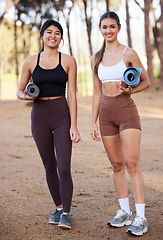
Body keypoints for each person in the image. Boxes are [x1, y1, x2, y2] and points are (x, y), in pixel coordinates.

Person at [91, 11, 150, 236]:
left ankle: (141, 217)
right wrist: (93, 121)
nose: (108, 31)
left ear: (119, 28)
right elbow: (97, 93)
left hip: (126, 110)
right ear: (100, 29)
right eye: (104, 27)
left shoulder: (129, 53)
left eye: (112, 26)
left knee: (132, 163)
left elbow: (146, 81)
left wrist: (131, 89)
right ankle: (124, 212)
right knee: (116, 165)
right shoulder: (96, 57)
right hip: (106, 114)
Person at [17, 19, 80, 229]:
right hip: (39, 116)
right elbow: (20, 89)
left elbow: (71, 93)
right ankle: (59, 206)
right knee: (49, 166)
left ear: (61, 38)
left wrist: (74, 125)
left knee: (64, 167)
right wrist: (25, 97)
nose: (53, 36)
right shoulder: (30, 61)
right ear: (42, 35)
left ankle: (67, 214)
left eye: (58, 33)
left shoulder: (69, 61)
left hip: (62, 114)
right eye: (49, 32)